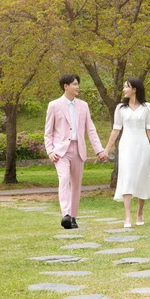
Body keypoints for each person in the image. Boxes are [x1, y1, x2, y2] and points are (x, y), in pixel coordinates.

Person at [44, 74, 107, 229]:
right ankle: (65, 215)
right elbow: (48, 132)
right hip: (61, 151)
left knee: (76, 185)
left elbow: (91, 130)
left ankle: (73, 217)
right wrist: (50, 150)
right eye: (75, 84)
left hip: (78, 149)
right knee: (64, 179)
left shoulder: (83, 106)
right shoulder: (54, 105)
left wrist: (99, 150)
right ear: (66, 86)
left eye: (78, 84)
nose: (78, 87)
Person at [102, 77, 150, 227]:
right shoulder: (120, 109)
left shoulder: (147, 107)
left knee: (142, 177)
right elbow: (116, 130)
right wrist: (107, 148)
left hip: (142, 145)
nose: (124, 89)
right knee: (127, 177)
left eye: (126, 87)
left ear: (134, 89)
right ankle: (127, 216)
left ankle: (139, 213)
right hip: (126, 145)